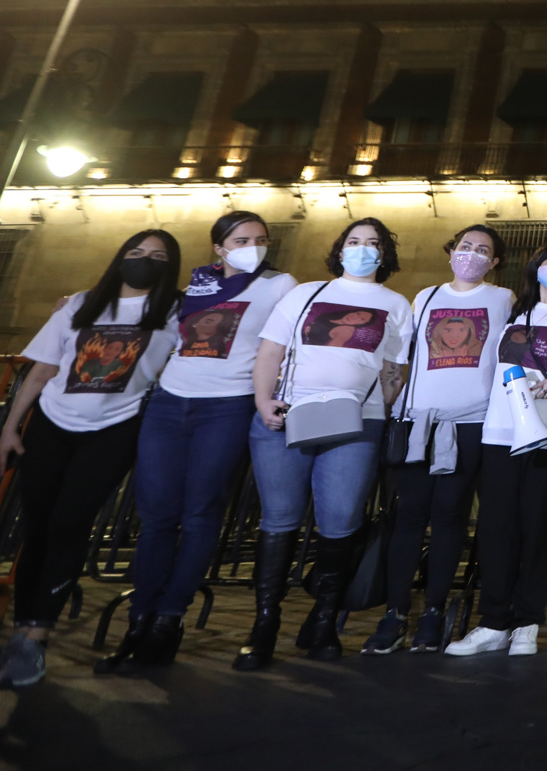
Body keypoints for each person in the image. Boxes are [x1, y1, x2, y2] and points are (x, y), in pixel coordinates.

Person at [96, 213, 295, 673]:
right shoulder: (194, 288)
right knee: (156, 516)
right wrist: (78, 301)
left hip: (228, 405)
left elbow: (287, 342)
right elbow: (137, 313)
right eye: (241, 239)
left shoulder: (280, 285)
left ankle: (169, 620)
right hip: (169, 402)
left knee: (201, 512)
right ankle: (138, 621)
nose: (254, 246)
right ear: (219, 248)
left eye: (261, 239)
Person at [0, 231, 182, 688]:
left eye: (157, 256)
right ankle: (21, 629)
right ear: (120, 257)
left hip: (114, 430)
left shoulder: (176, 311)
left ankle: (37, 637)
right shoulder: (80, 303)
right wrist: (10, 427)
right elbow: (43, 369)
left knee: (69, 523)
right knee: (37, 527)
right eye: (136, 253)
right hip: (50, 424)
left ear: (171, 265)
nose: (144, 260)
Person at [237, 218, 413, 670]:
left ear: (384, 254)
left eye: (373, 243)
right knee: (279, 520)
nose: (363, 249)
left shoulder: (395, 304)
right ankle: (265, 622)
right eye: (354, 241)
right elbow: (270, 351)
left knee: (341, 519)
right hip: (287, 415)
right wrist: (262, 400)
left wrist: (379, 407)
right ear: (340, 249)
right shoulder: (306, 293)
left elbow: (393, 370)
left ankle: (324, 617)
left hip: (357, 422)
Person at [362, 224, 514, 654]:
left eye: (482, 250)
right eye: (465, 246)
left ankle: (432, 610)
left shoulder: (503, 299)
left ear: (494, 262)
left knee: (449, 516)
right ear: (451, 253)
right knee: (408, 516)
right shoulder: (426, 297)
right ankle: (395, 613)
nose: (472, 254)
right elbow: (402, 358)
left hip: (470, 423)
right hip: (418, 421)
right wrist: (388, 406)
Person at [445, 238, 547, 656]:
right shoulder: (513, 311)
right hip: (500, 431)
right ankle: (494, 622)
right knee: (496, 527)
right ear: (535, 265)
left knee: (537, 527)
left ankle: (527, 622)